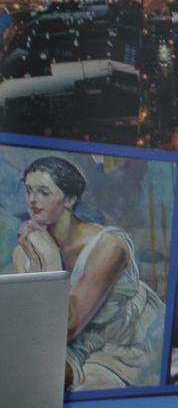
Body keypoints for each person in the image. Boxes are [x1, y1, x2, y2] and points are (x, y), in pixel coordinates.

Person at [12, 155, 164, 390]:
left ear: (70, 199)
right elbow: (38, 322)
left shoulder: (109, 246)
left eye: (43, 192)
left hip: (125, 346)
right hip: (74, 347)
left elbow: (67, 327)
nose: (32, 199)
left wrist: (51, 261)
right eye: (29, 190)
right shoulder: (24, 252)